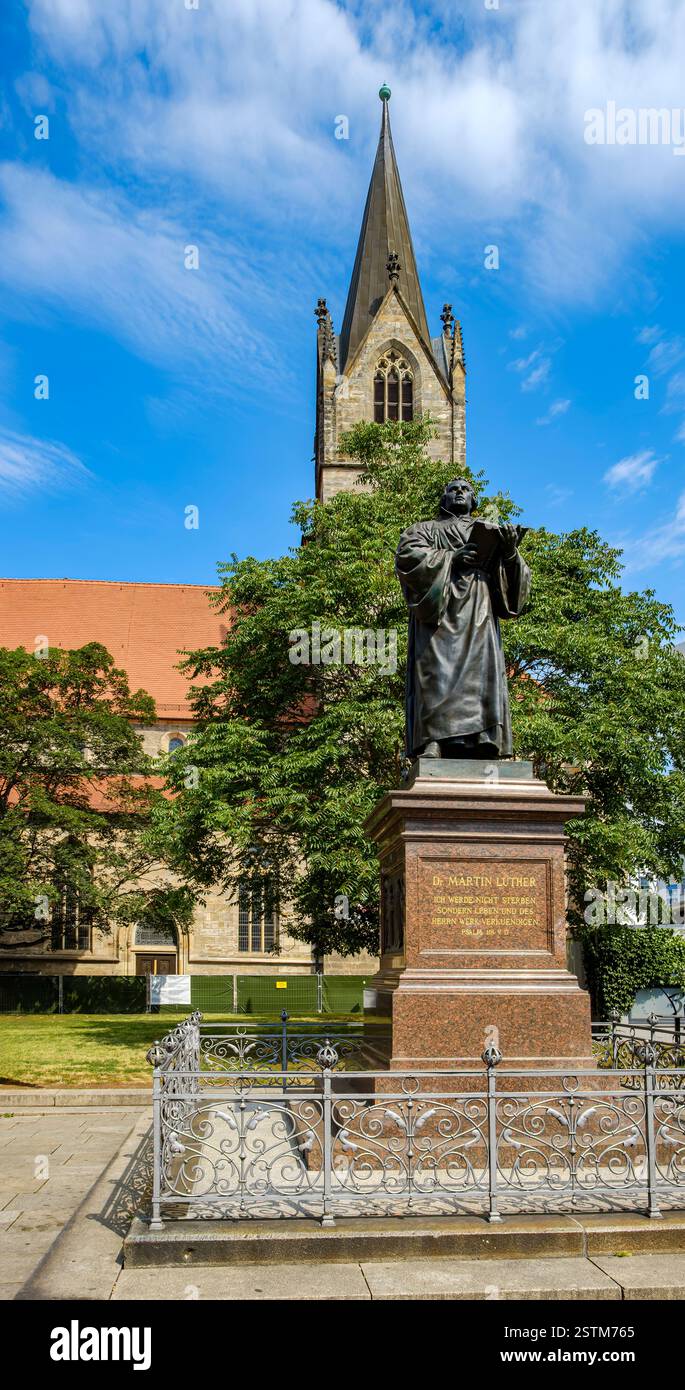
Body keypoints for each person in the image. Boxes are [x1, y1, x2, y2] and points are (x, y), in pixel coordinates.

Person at [396, 478, 530, 759]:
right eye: (452, 489)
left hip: (478, 610)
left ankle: (484, 738)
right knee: (435, 674)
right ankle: (434, 741)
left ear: (474, 500)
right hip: (438, 614)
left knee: (481, 675)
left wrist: (510, 552)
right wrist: (451, 558)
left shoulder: (490, 532)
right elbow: (408, 558)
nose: (459, 492)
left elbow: (515, 589)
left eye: (465, 489)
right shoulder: (423, 530)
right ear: (443, 498)